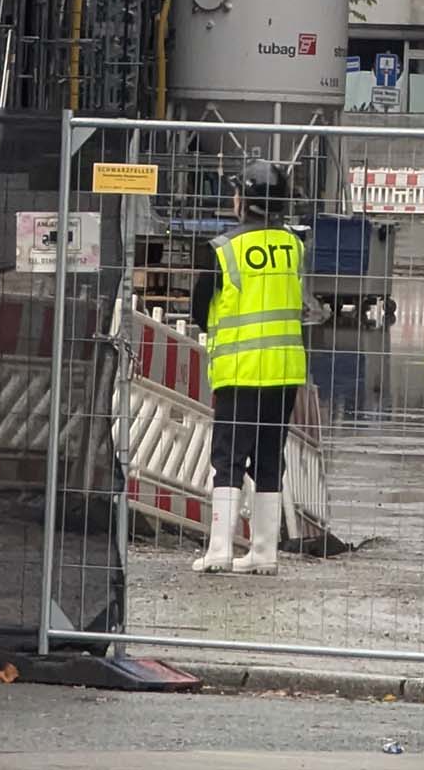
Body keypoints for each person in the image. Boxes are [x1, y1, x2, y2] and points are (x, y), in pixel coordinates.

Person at [188, 158, 307, 576]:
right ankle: (264, 551)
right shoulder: (294, 245)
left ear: (245, 200)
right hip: (284, 370)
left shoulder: (223, 249)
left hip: (240, 370)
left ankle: (220, 548)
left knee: (228, 458)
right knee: (270, 458)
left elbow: (200, 306)